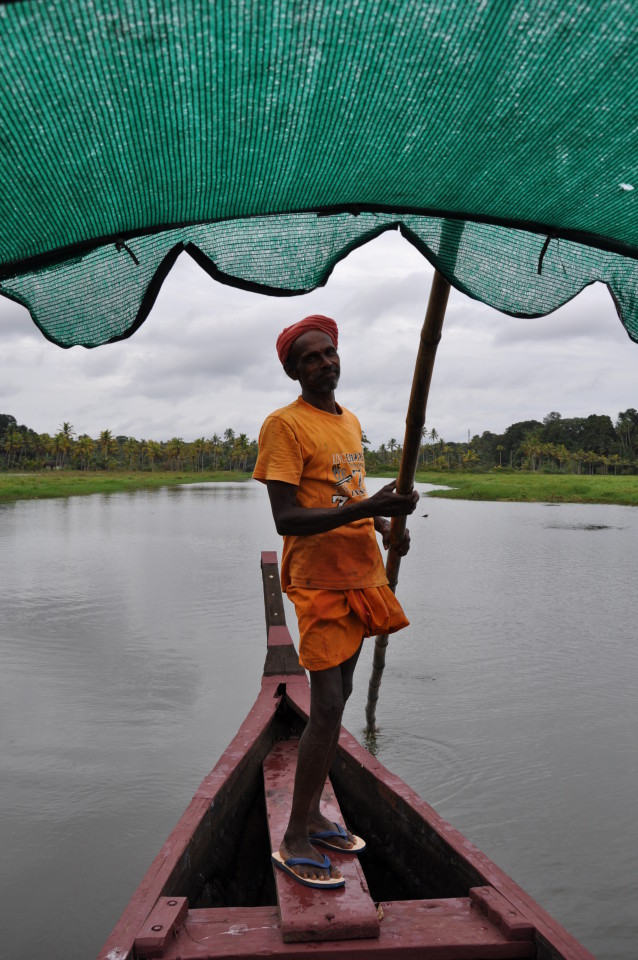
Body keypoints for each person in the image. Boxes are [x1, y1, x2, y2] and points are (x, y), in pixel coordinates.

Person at [253, 314, 418, 890]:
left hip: (360, 575)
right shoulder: (284, 425)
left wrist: (384, 524)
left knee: (340, 698)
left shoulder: (349, 423)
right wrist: (364, 509)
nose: (325, 363)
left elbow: (347, 498)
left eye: (329, 353)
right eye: (311, 358)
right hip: (318, 582)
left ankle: (317, 818)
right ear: (293, 370)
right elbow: (288, 517)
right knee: (325, 702)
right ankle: (294, 837)